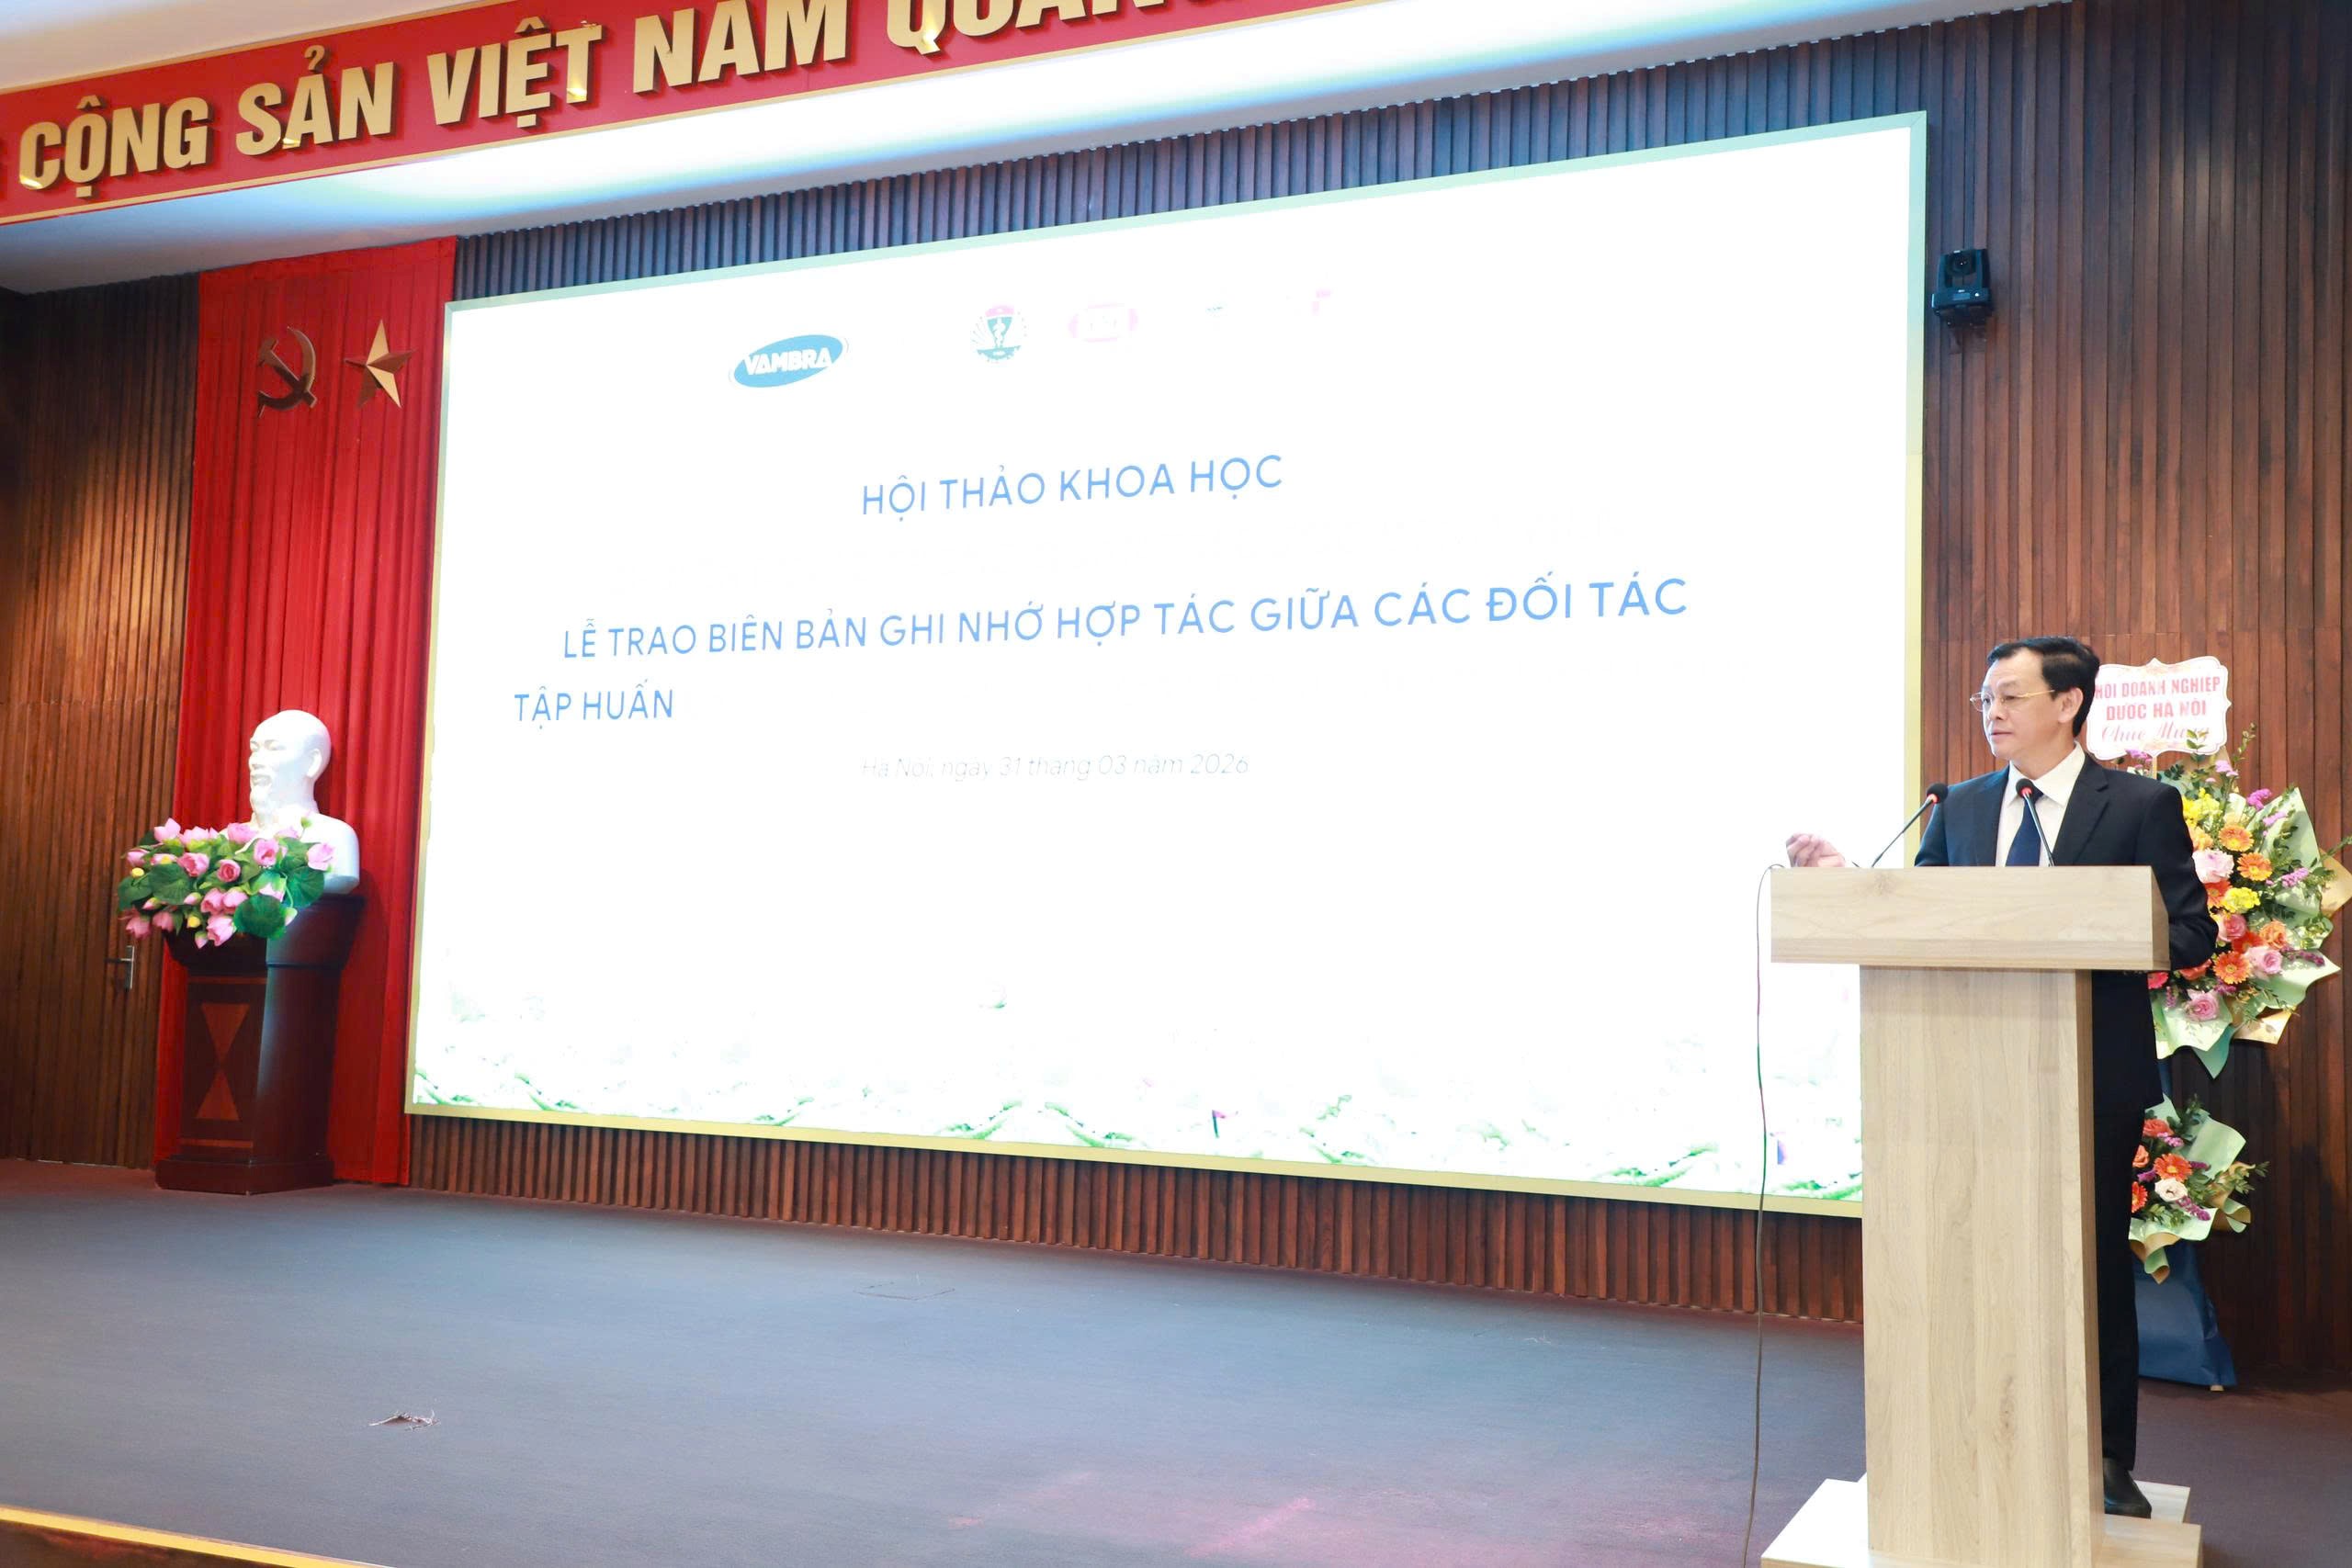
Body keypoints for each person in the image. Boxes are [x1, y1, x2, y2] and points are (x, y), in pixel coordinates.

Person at [1786, 636, 2213, 1519]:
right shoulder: (1963, 805)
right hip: (1964, 1078)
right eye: (1985, 699)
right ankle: (1963, 1439)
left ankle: (2103, 1455)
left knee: (2089, 1267)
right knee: (1962, 1260)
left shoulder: (2140, 804)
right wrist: (1849, 885)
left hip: (2089, 1077)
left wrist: (2087, 929)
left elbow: (2190, 933)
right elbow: (1924, 920)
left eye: (2011, 696)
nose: (1993, 712)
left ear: (2069, 702)